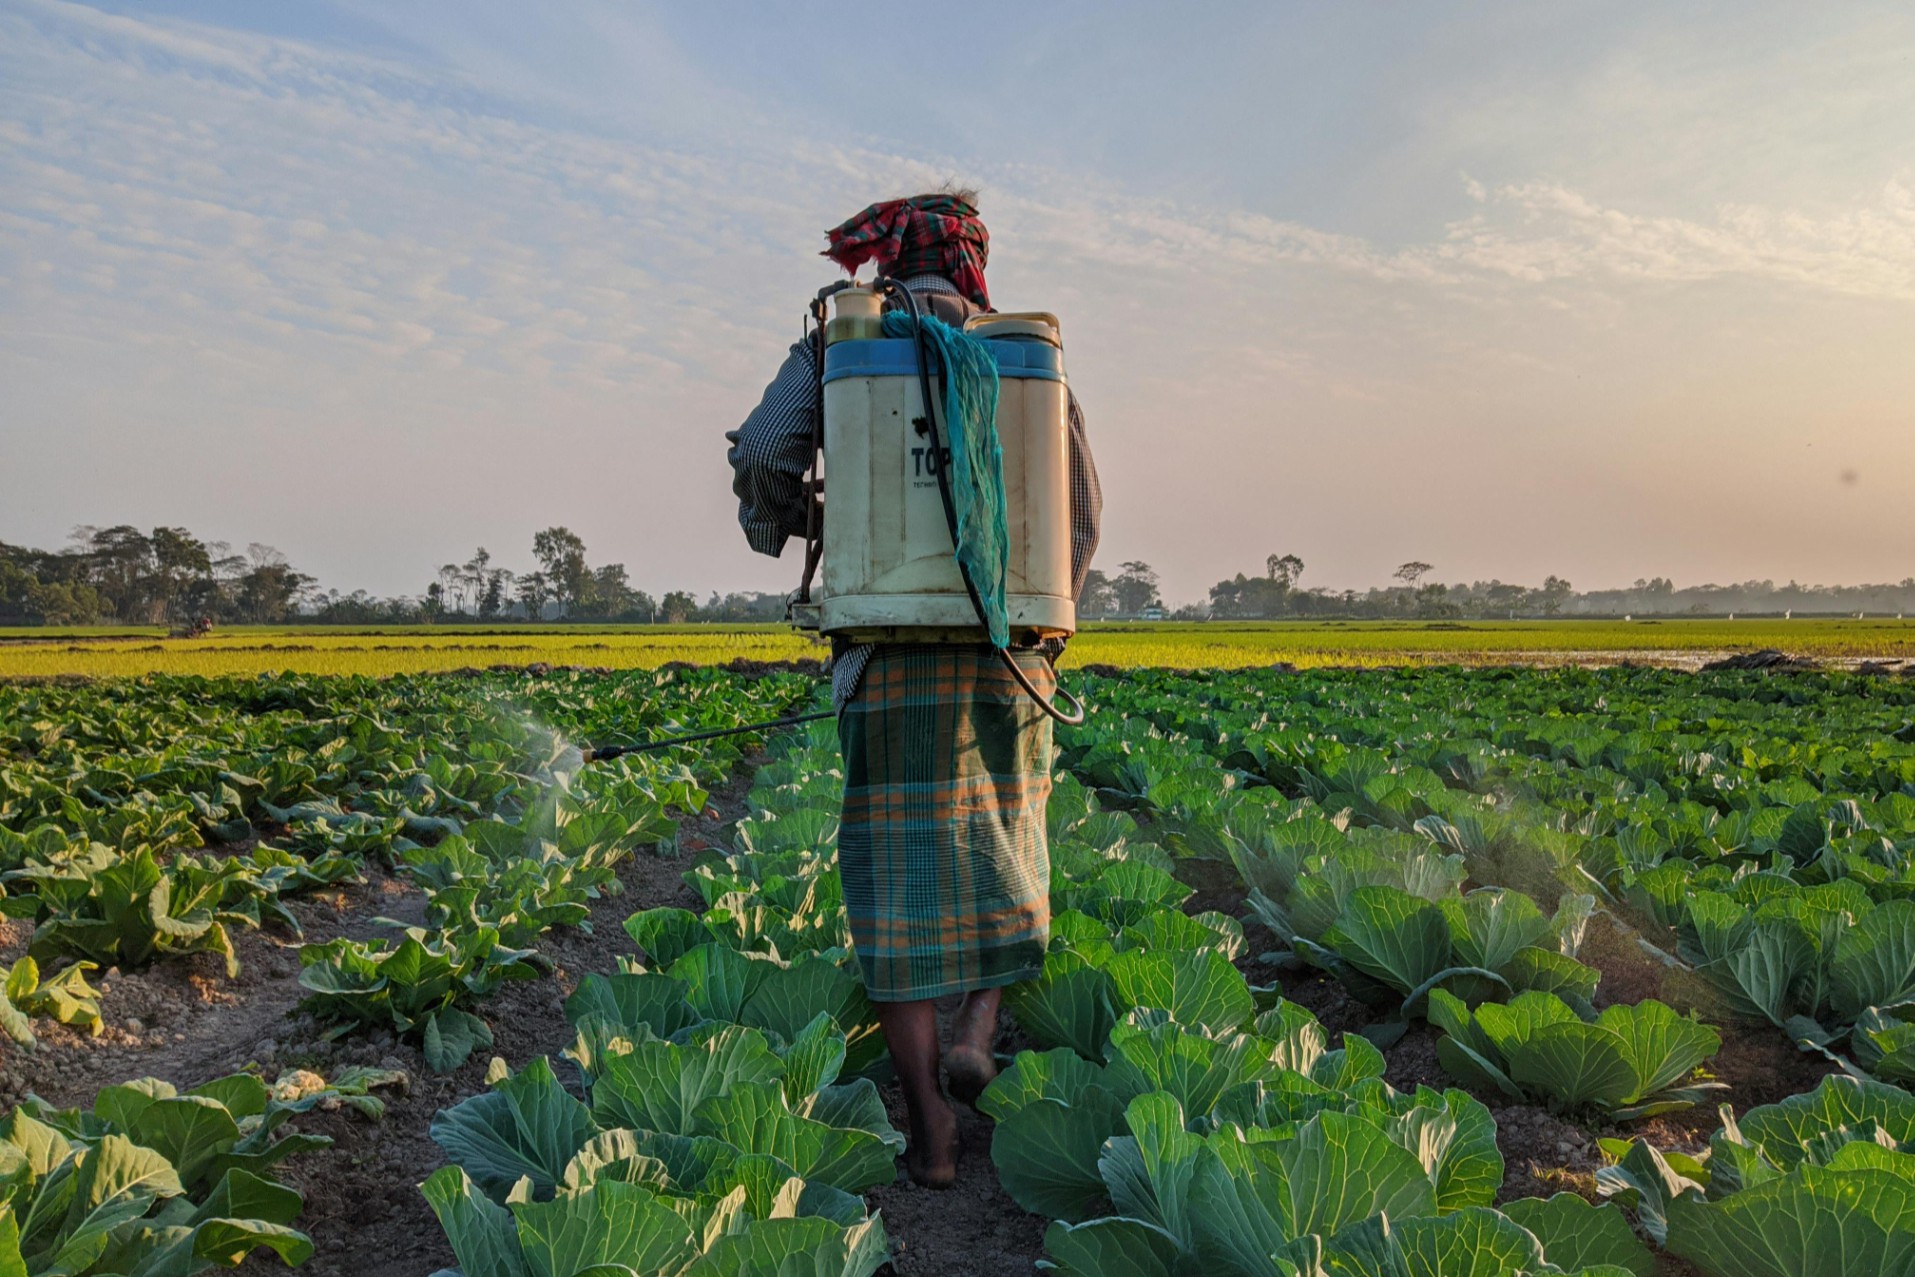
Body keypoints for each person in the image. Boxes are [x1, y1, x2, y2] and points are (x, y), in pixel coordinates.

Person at [725, 190, 1102, 1187]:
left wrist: (808, 525)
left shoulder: (838, 348)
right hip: (1008, 646)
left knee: (897, 895)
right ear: (974, 263)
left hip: (884, 652)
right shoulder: (1025, 356)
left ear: (881, 267)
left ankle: (931, 1135)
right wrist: (1035, 610)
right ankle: (978, 1026)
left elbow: (765, 451)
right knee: (1005, 851)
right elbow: (1081, 514)